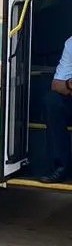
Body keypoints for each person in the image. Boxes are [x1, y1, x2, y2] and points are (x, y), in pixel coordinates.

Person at [44, 36, 72, 183]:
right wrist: (69, 84)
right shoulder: (71, 43)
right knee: (52, 100)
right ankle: (61, 167)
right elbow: (56, 84)